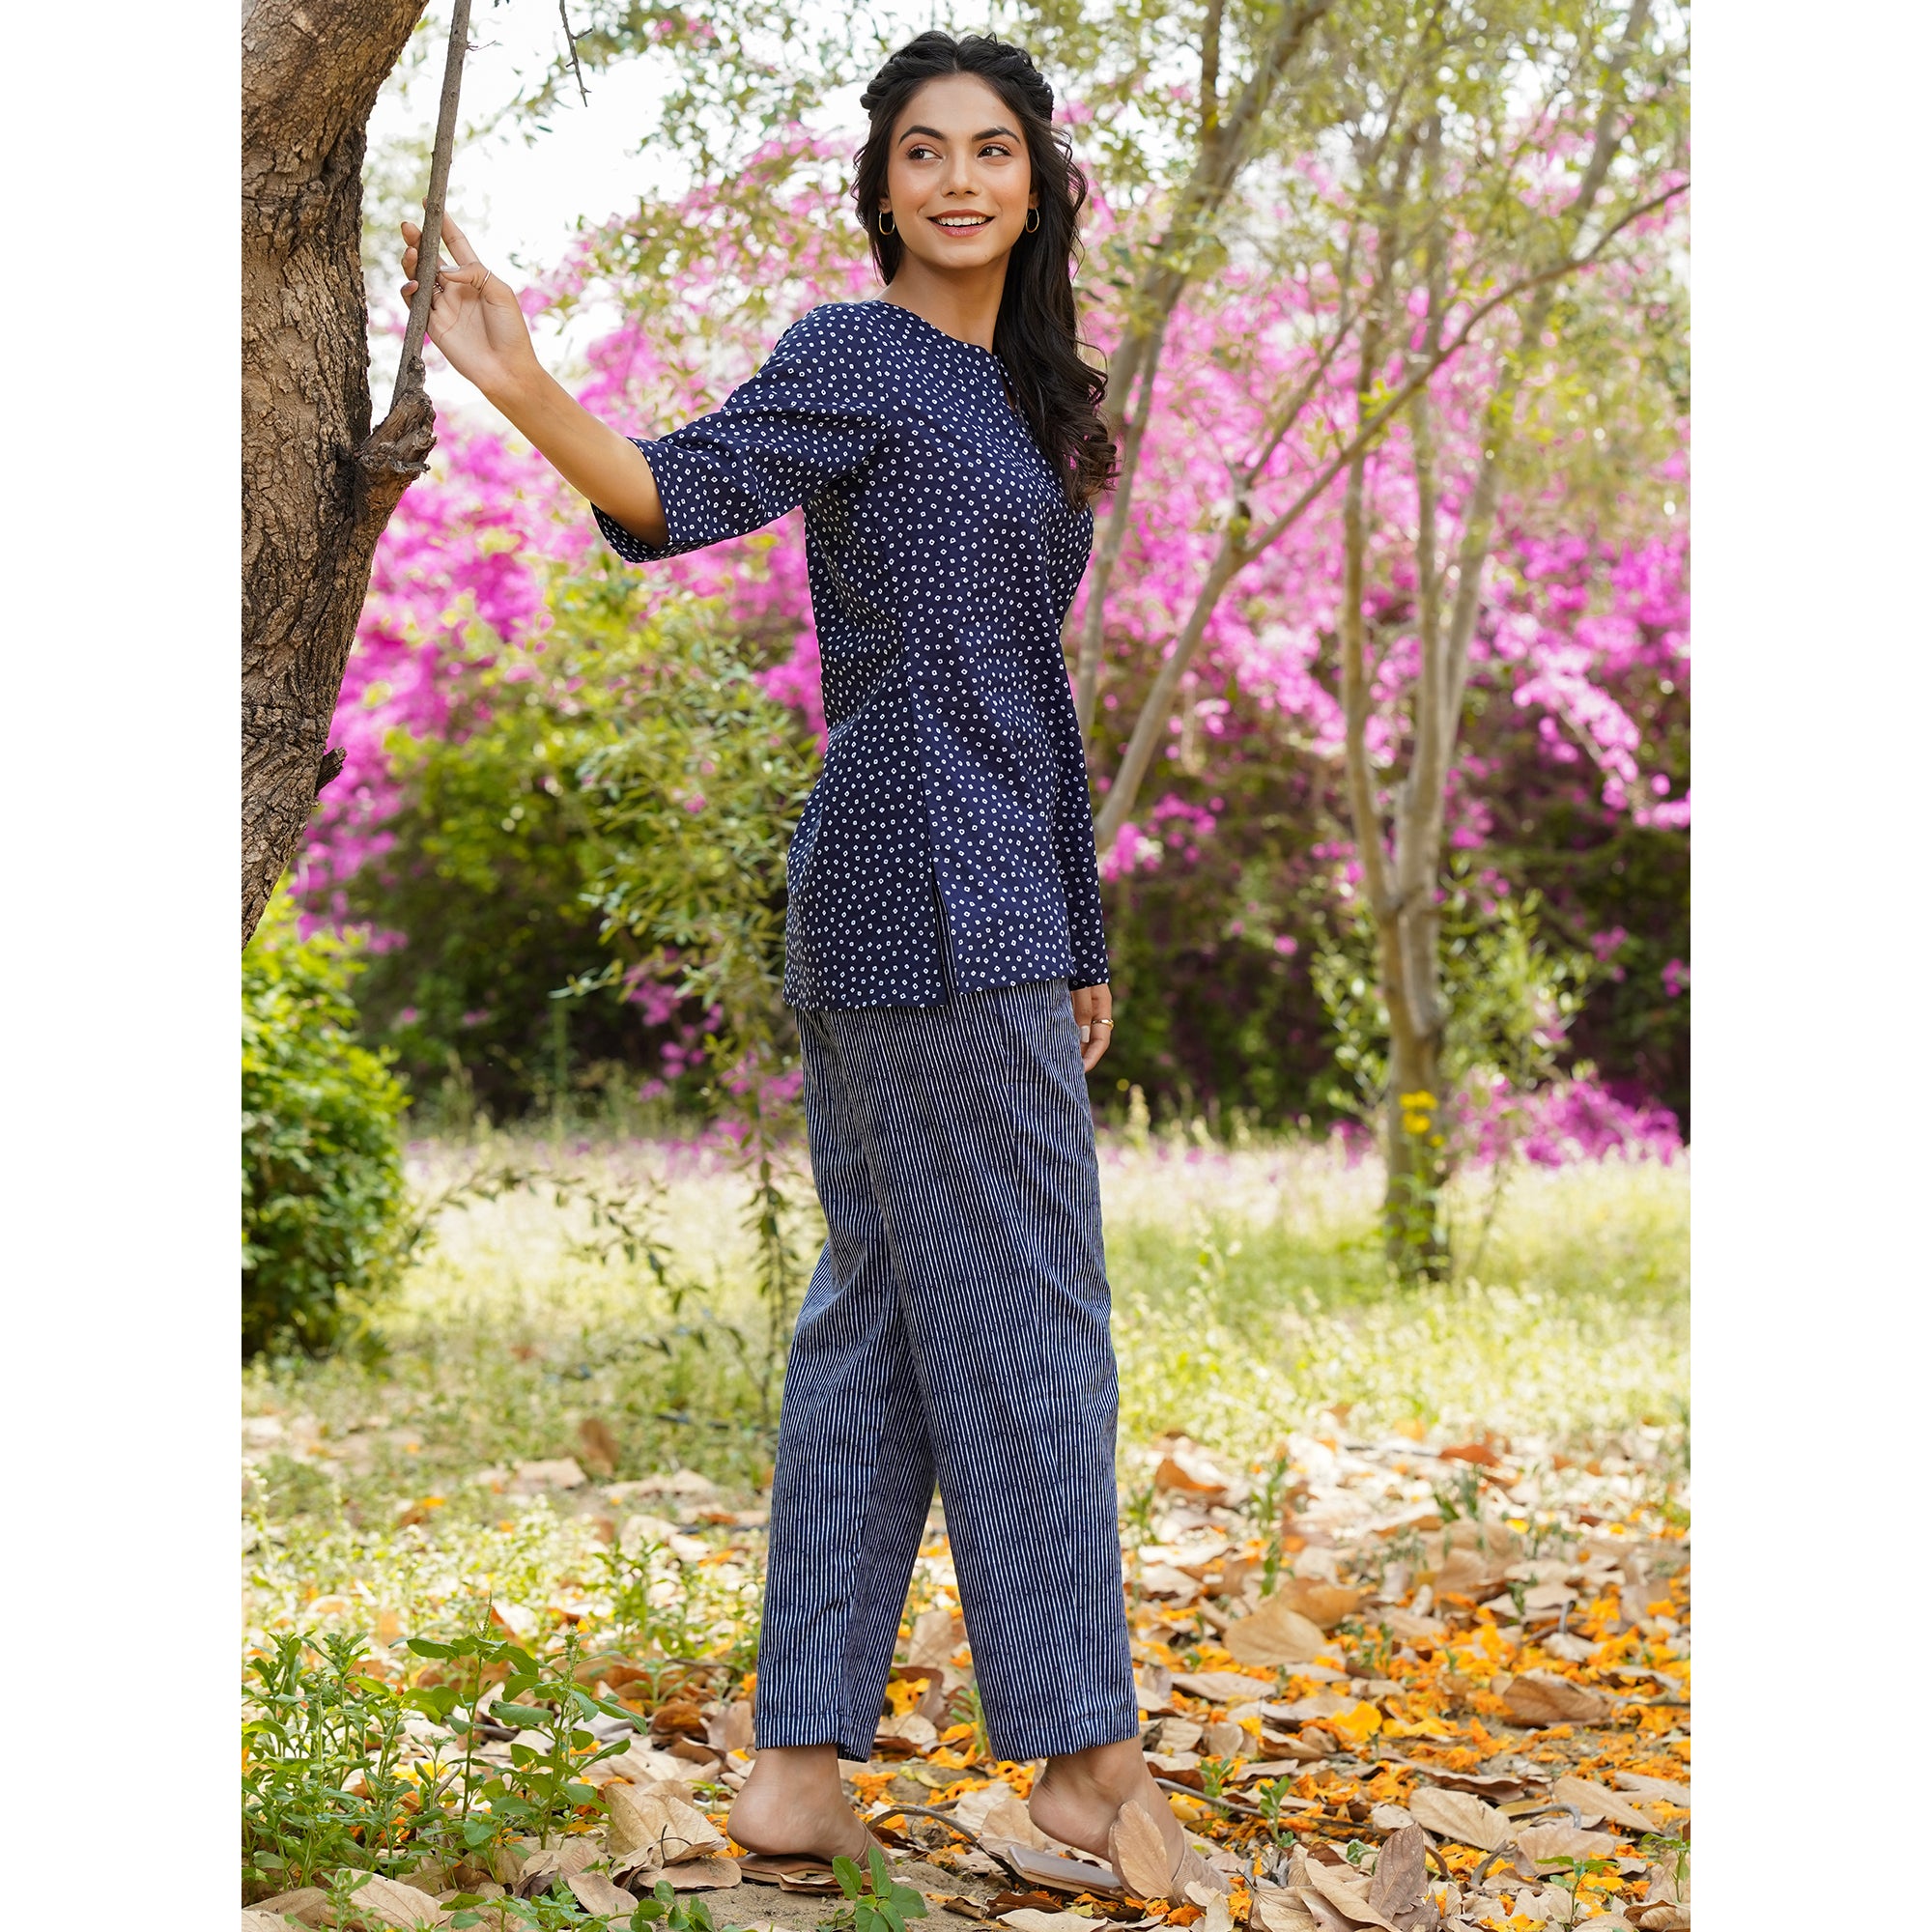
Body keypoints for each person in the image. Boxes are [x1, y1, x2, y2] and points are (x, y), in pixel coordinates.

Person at [402, 27, 1216, 1904]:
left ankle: (790, 1769)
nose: (952, 179)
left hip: (990, 892)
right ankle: (1085, 1754)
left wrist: (1079, 925)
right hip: (917, 885)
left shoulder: (1033, 404)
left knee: (882, 1320)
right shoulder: (855, 360)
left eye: (988, 149)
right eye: (918, 151)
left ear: (1037, 182)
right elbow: (675, 494)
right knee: (1034, 1318)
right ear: (880, 188)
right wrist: (523, 380)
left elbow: (1029, 687)